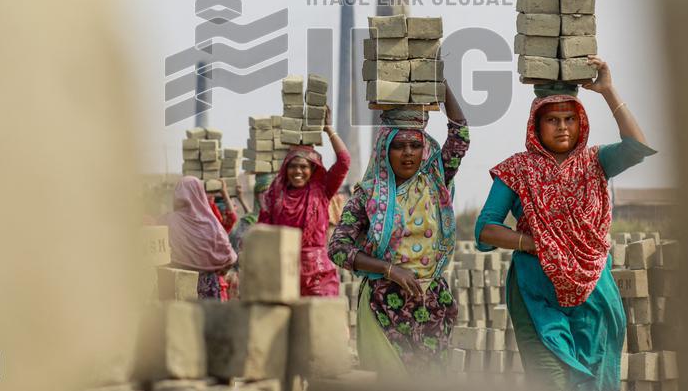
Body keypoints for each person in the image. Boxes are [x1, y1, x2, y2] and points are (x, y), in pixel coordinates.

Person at [475, 56, 656, 391]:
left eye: (570, 118)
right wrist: (537, 244)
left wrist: (608, 91)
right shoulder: (517, 170)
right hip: (535, 294)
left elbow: (637, 147)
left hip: (593, 296)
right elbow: (485, 230)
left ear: (580, 122)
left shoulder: (596, 162)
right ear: (535, 125)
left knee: (596, 379)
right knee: (551, 381)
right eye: (552, 120)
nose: (562, 127)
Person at [327, 81, 469, 375]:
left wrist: (437, 79)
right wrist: (390, 270)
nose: (407, 153)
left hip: (431, 304)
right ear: (384, 149)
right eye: (398, 146)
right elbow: (338, 249)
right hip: (383, 305)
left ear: (424, 149)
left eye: (415, 145)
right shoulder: (367, 195)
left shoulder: (435, 183)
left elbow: (460, 133)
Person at [259, 105, 350, 296]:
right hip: (283, 272)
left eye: (303, 167)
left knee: (321, 322)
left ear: (313, 169)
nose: (298, 171)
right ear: (286, 168)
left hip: (318, 274)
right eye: (293, 166)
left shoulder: (322, 190)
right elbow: (264, 232)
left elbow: (344, 161)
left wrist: (328, 129)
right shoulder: (274, 195)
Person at [162, 175, 237, 300]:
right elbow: (229, 258)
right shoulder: (211, 224)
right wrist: (217, 270)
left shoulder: (165, 221)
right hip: (207, 290)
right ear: (200, 194)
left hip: (176, 288)